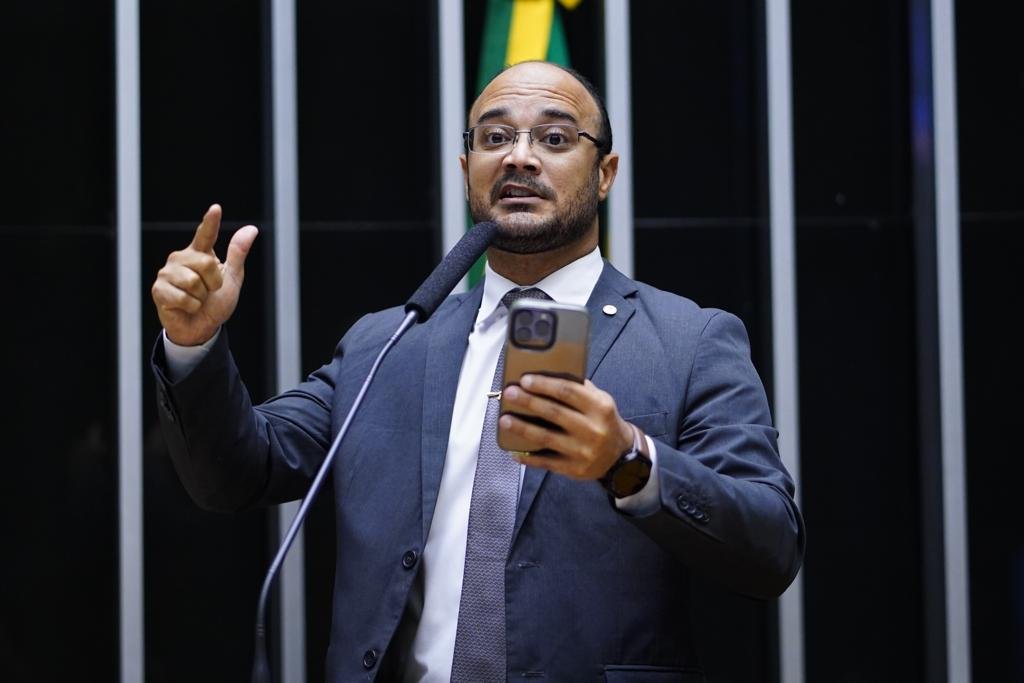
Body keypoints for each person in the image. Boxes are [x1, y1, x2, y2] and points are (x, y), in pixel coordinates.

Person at [151, 61, 804, 682]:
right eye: (495, 136)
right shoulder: (390, 341)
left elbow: (769, 545)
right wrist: (195, 345)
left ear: (605, 172)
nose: (519, 156)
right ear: (468, 168)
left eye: (554, 136)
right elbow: (238, 471)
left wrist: (628, 459)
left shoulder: (690, 341)